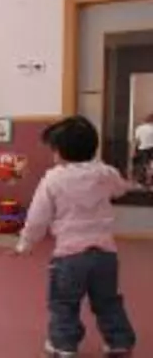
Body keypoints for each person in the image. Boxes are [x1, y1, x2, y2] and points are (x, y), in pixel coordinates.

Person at [14, 115, 135, 358]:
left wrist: (25, 244)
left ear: (60, 151)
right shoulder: (105, 173)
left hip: (69, 257)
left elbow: (38, 217)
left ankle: (63, 346)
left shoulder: (53, 179)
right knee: (108, 300)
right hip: (105, 255)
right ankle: (119, 343)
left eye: (53, 150)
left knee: (63, 302)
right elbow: (121, 189)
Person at [131, 112, 153, 186]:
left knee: (142, 165)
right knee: (150, 165)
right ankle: (149, 179)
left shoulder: (140, 128)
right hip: (151, 148)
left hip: (142, 148)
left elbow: (136, 141)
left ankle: (142, 180)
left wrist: (133, 151)